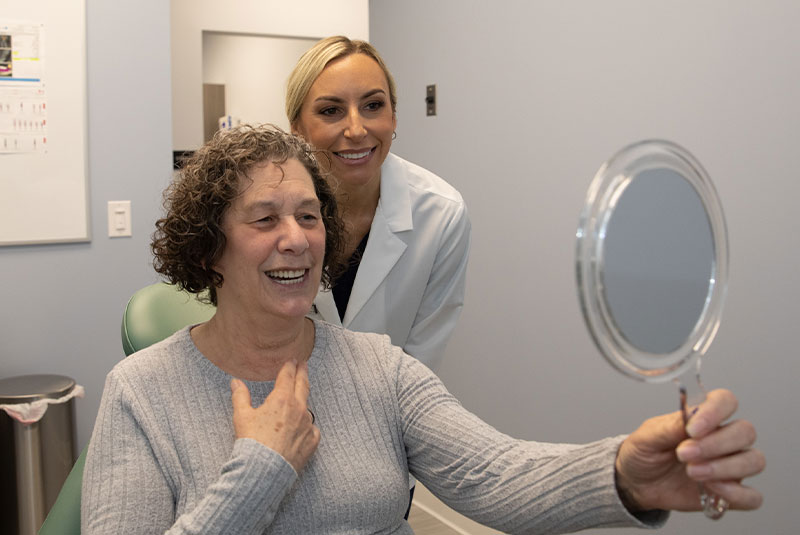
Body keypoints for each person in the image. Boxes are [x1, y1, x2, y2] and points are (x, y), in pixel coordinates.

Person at [82, 125, 764, 534]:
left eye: (310, 216)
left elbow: (499, 473)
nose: (296, 240)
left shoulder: (380, 368)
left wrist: (625, 475)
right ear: (208, 249)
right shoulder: (142, 392)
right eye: (264, 220)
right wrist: (259, 469)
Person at [287, 36, 470, 371]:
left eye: (373, 106)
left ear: (394, 117)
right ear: (298, 130)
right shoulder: (269, 212)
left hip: (390, 413)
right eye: (331, 111)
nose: (356, 129)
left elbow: (420, 365)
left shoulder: (441, 215)